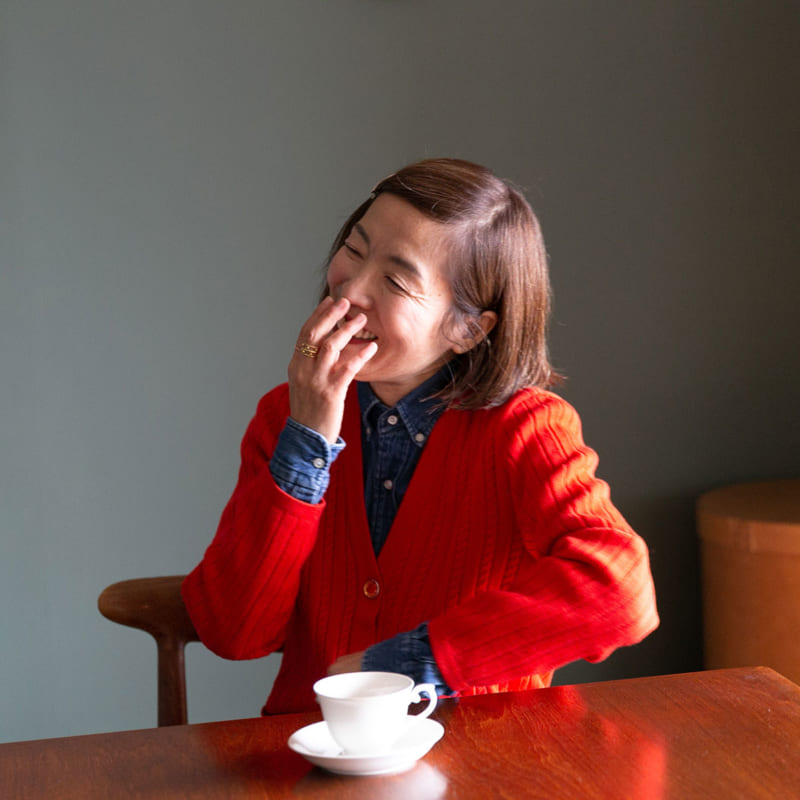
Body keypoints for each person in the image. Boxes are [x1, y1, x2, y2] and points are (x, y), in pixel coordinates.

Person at [182, 158, 659, 715]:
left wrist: (413, 661)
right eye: (354, 249)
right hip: (314, 751)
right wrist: (305, 444)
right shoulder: (284, 416)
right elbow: (234, 632)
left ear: (467, 328)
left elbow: (620, 591)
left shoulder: (526, 428)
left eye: (395, 280)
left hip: (486, 755)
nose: (351, 289)